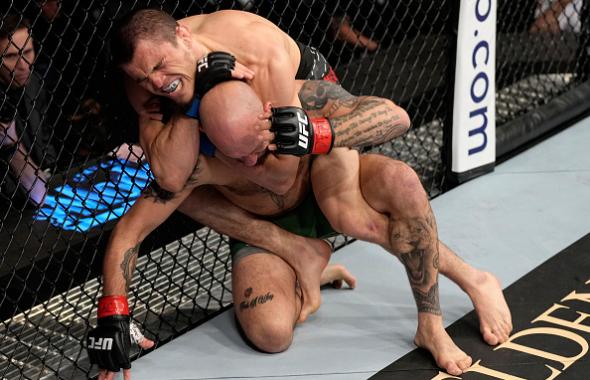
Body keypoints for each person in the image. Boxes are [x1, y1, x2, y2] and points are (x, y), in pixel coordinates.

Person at [88, 79, 512, 379]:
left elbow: (393, 116)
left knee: (399, 183)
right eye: (239, 158)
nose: (255, 162)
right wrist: (114, 316)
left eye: (260, 147)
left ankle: (455, 300)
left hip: (329, 185)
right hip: (263, 222)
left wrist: (321, 132)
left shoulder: (291, 93)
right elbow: (129, 235)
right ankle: (304, 260)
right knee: (270, 334)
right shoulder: (188, 158)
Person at [110, 7, 411, 330]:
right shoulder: (145, 80)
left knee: (350, 213)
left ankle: (463, 283)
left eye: (159, 66)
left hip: (298, 105)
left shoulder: (258, 50)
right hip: (234, 143)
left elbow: (282, 177)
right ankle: (298, 253)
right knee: (270, 332)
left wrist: (316, 135)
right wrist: (193, 104)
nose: (155, 82)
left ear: (183, 37)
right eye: (144, 77)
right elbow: (169, 178)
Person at [0, 15, 57, 207]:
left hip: (39, 185)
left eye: (27, 52)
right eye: (10, 56)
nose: (23, 65)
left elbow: (46, 142)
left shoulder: (34, 83)